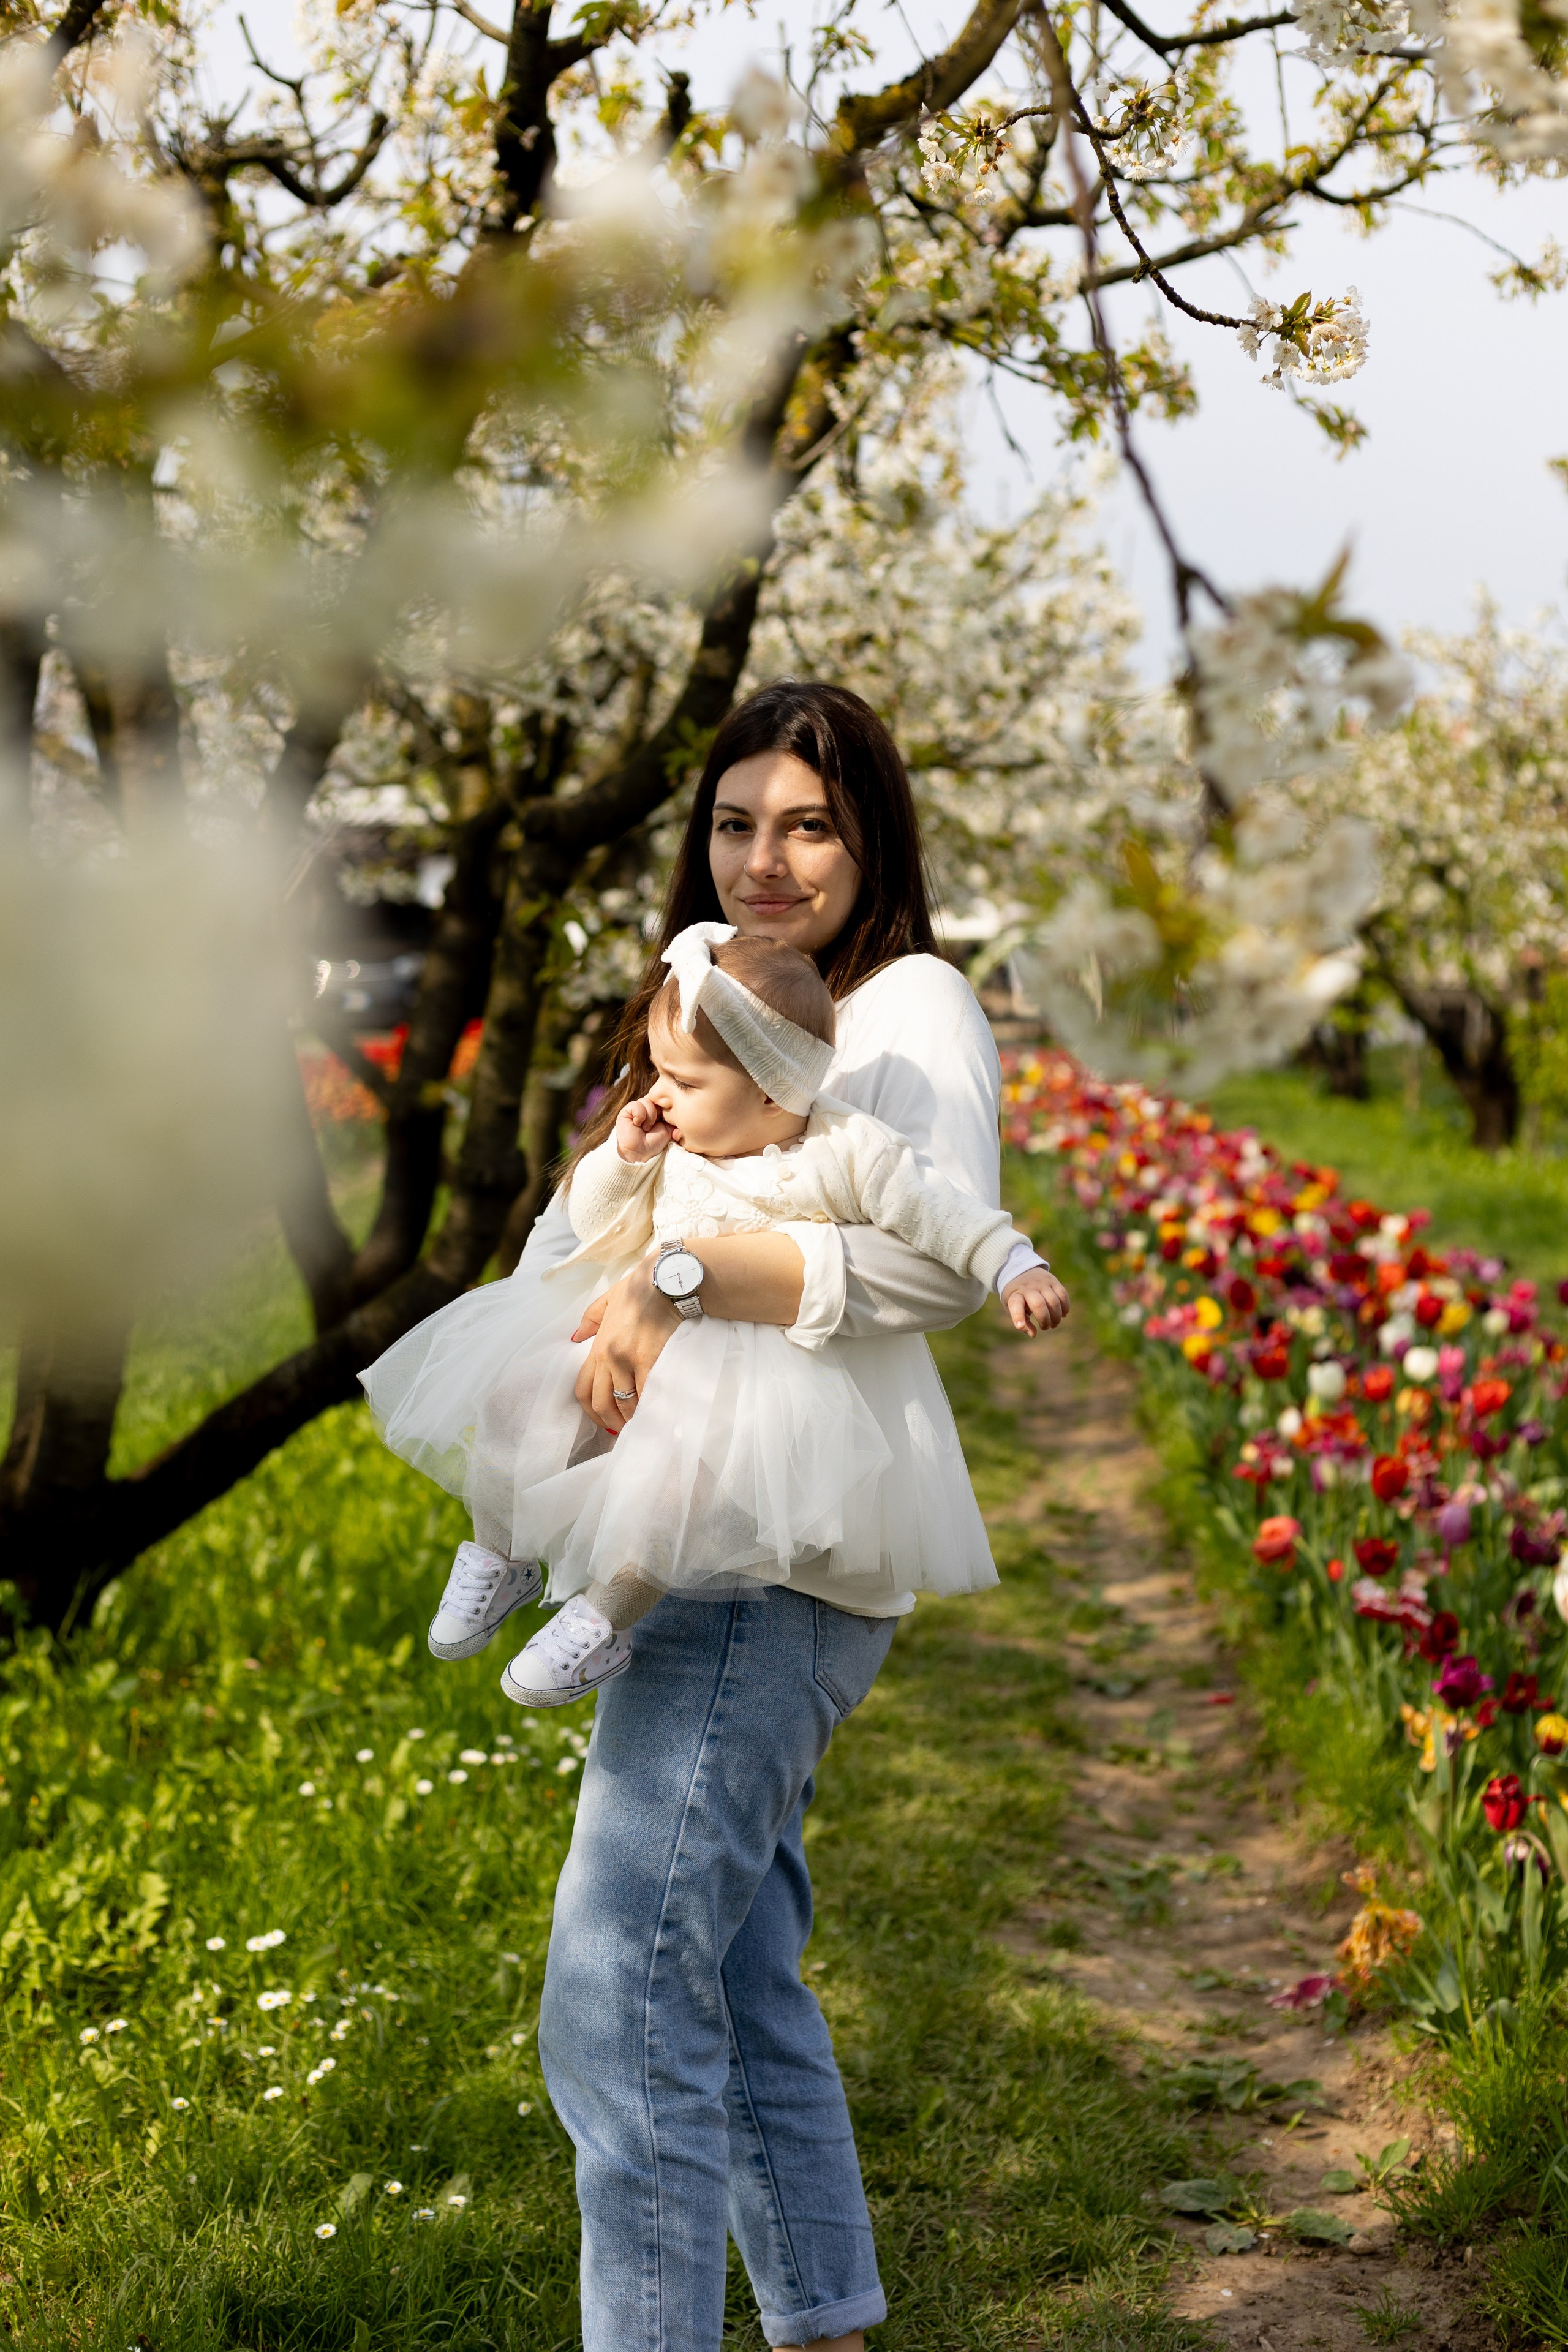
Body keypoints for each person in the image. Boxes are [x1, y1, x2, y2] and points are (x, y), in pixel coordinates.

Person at [453, 679, 1067, 2352]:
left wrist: (684, 1275)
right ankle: (826, 2321)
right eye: (738, 822)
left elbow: (938, 1262)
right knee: (722, 1973)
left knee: (618, 1991)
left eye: (810, 822)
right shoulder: (712, 992)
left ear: (873, 837)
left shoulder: (907, 1002)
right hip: (717, 1526)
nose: (770, 855)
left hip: (767, 1543)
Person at [360, 924, 1061, 1705]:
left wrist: (1011, 1264)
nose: (657, 1095)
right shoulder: (670, 1138)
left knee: (674, 1496)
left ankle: (603, 1621)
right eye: (658, 1072)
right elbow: (589, 1221)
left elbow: (936, 1211)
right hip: (622, 1334)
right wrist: (622, 1161)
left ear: (770, 1092)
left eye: (684, 1082)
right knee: (513, 1402)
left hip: (742, 1380)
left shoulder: (845, 1150)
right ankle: (501, 1550)